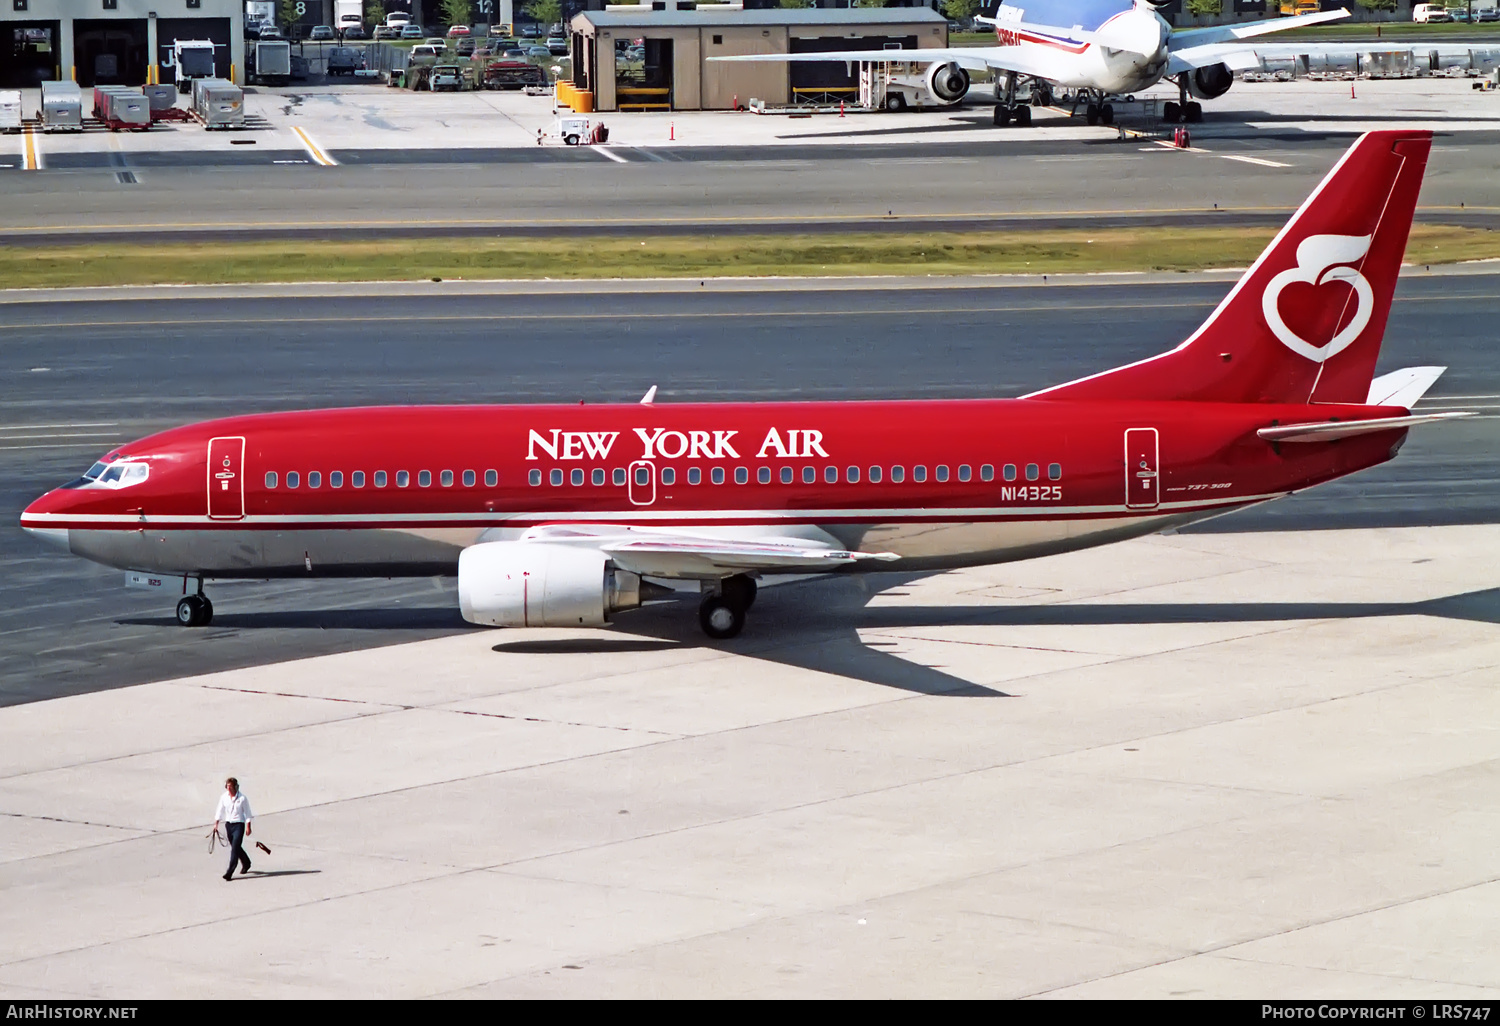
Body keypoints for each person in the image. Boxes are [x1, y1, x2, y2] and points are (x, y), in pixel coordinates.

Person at [212, 777, 254, 881]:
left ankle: (229, 872)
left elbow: (248, 814)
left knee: (234, 848)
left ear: (236, 787)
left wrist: (248, 827)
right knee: (236, 847)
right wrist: (216, 823)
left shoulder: (242, 798)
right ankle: (246, 862)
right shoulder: (224, 797)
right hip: (229, 825)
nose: (229, 789)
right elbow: (219, 810)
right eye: (227, 786)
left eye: (231, 786)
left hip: (239, 825)